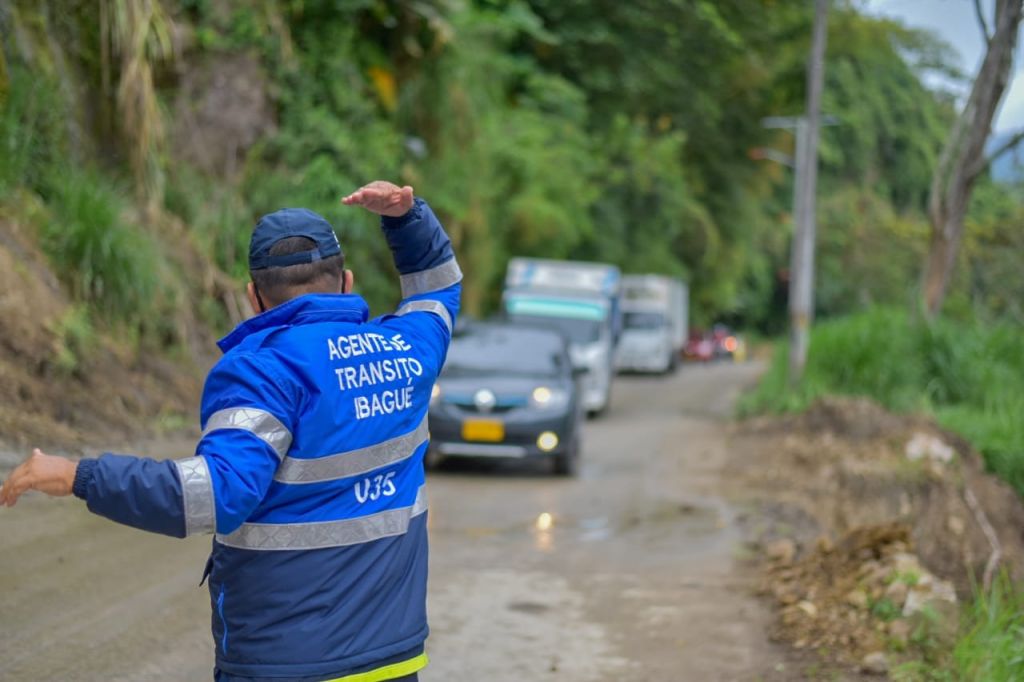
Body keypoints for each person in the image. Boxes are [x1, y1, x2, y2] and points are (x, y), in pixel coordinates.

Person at [0, 181, 461, 682]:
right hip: (393, 659)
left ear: (254, 298)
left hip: (285, 665)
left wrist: (79, 475)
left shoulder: (261, 372)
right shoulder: (407, 351)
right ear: (347, 283)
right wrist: (407, 218)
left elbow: (214, 495)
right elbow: (437, 291)